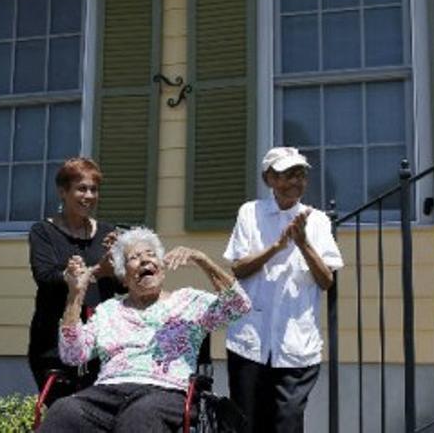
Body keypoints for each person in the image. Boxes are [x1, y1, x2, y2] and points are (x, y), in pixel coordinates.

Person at [38, 227, 251, 432]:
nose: (145, 260)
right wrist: (75, 294)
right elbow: (72, 355)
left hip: (165, 392)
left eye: (151, 254)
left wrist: (203, 260)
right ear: (124, 276)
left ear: (162, 266)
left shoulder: (189, 301)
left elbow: (240, 305)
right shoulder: (108, 310)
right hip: (107, 391)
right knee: (64, 411)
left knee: (139, 415)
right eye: (134, 257)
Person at [223, 146, 344, 433]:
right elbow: (238, 268)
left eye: (301, 174)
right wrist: (277, 247)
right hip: (250, 341)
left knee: (287, 424)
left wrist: (302, 243)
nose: (296, 181)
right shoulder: (250, 213)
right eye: (287, 174)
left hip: (296, 344)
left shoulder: (317, 220)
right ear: (269, 180)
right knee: (246, 424)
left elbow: (327, 281)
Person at [28, 157, 123, 403]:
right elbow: (45, 276)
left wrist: (119, 266)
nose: (89, 195)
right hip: (54, 342)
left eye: (94, 189)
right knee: (64, 413)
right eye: (81, 188)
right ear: (63, 191)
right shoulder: (43, 231)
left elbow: (124, 286)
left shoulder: (106, 233)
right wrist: (80, 274)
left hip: (101, 342)